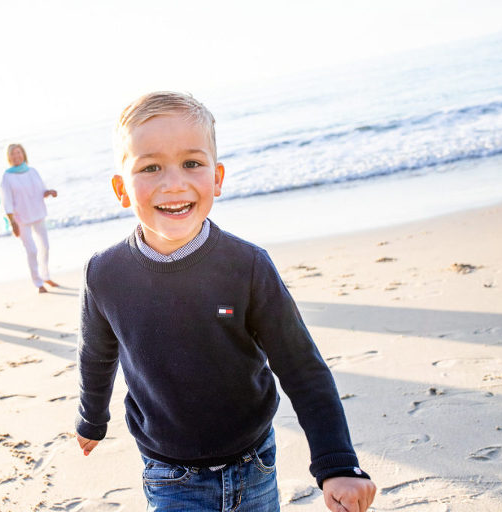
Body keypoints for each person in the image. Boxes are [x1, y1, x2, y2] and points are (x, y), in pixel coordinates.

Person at [75, 92, 377, 511]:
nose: (174, 182)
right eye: (150, 167)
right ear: (121, 189)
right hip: (169, 473)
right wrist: (92, 418)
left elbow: (301, 365)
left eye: (192, 163)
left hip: (253, 461)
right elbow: (97, 353)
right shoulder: (105, 274)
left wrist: (337, 463)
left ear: (216, 178)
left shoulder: (247, 265)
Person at [0, 143, 59, 293]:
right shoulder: (7, 176)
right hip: (21, 219)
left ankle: (46, 275)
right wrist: (12, 222)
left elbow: (41, 190)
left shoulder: (32, 171)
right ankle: (38, 282)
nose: (16, 156)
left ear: (23, 154)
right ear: (9, 157)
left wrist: (49, 192)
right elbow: (6, 200)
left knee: (45, 246)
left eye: (18, 153)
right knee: (32, 250)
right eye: (12, 154)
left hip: (37, 213)